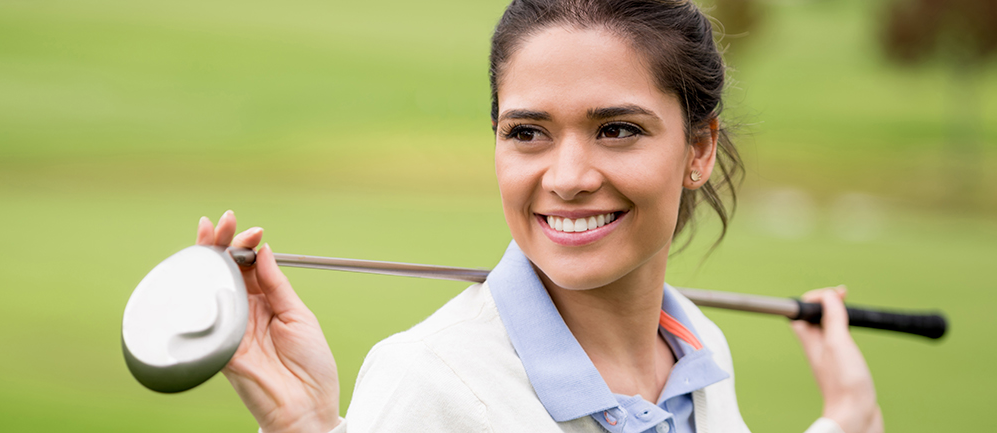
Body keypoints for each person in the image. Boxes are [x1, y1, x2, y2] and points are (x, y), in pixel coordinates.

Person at [194, 0, 885, 432]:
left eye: (617, 128)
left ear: (697, 149)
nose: (569, 177)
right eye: (528, 132)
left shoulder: (698, 352)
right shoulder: (430, 385)